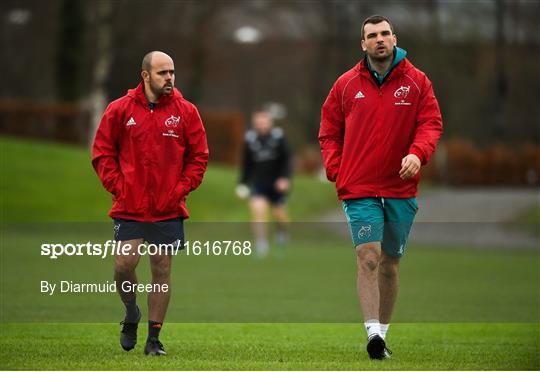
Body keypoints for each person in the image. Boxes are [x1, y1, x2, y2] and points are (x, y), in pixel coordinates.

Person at [319, 15, 443, 359]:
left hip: (401, 188)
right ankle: (372, 333)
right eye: (372, 35)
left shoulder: (417, 83)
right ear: (363, 44)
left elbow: (431, 124)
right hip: (358, 188)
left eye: (384, 33)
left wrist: (418, 154)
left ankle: (383, 335)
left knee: (390, 262)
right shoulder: (345, 84)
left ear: (394, 38)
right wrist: (336, 168)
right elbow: (328, 131)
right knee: (368, 255)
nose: (379, 39)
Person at [92, 51, 209, 356]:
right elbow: (102, 153)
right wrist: (119, 188)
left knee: (161, 268)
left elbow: (199, 157)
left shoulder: (186, 112)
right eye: (162, 73)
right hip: (130, 206)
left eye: (171, 72)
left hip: (167, 208)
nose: (169, 78)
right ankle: (131, 312)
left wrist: (179, 189)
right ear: (145, 76)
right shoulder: (119, 109)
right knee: (123, 264)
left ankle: (154, 339)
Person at [236, 110, 292, 258]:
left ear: (270, 123)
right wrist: (242, 184)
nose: (261, 125)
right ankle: (261, 244)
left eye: (264, 122)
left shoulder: (278, 138)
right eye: (258, 122)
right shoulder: (250, 139)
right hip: (258, 183)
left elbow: (287, 160)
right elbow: (245, 164)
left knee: (279, 215)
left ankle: (281, 234)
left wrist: (285, 178)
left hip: (277, 183)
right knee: (258, 212)